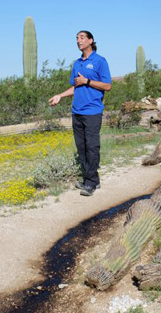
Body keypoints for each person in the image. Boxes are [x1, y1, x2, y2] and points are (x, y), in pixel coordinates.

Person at [49, 30, 111, 196]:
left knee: (92, 146)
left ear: (90, 40)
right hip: (77, 111)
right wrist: (60, 96)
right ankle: (93, 179)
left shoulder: (99, 61)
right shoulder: (77, 63)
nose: (78, 41)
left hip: (92, 111)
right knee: (81, 148)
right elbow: (75, 87)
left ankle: (90, 183)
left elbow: (107, 86)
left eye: (82, 37)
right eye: (76, 38)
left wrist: (87, 81)